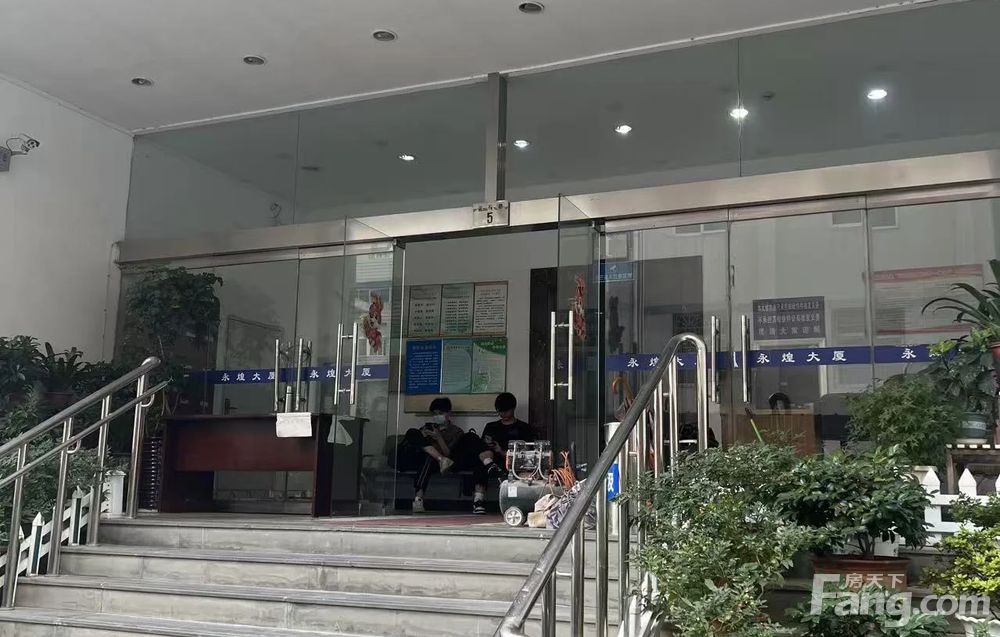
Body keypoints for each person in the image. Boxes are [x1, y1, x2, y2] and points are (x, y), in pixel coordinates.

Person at [394, 397, 502, 515]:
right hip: (424, 458)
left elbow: (449, 454)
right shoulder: (428, 427)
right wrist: (424, 436)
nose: (437, 416)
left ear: (448, 413)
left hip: (445, 463)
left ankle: (418, 498)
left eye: (440, 413)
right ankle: (439, 460)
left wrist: (438, 437)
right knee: (413, 433)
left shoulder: (456, 431)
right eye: (434, 414)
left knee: (432, 459)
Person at [482, 393, 536, 471]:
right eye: (500, 411)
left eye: (506, 411)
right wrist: (489, 444)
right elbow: (482, 448)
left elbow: (527, 454)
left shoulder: (524, 428)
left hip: (515, 465)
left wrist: (501, 451)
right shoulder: (491, 426)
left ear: (513, 408)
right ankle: (491, 468)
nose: (503, 414)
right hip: (492, 462)